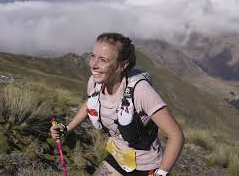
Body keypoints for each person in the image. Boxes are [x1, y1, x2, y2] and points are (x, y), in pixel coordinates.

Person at [50, 32, 184, 176]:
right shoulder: (95, 83)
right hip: (118, 158)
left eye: (103, 60)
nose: (93, 65)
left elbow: (176, 136)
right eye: (93, 56)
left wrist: (161, 173)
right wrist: (67, 129)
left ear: (122, 65)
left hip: (146, 168)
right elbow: (91, 103)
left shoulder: (140, 91)